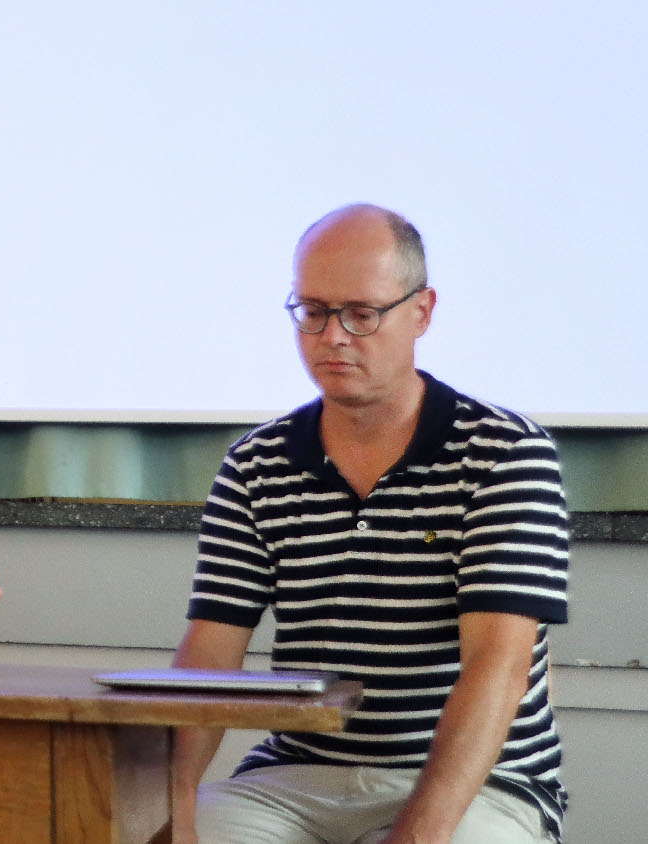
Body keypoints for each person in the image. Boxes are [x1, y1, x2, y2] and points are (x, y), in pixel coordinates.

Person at [163, 205, 569, 844]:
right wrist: (171, 805)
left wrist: (416, 836)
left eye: (362, 314)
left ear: (422, 312)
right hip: (296, 777)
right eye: (313, 311)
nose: (332, 337)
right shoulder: (256, 462)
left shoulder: (505, 454)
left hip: (479, 786)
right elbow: (210, 654)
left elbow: (498, 666)